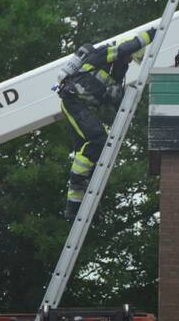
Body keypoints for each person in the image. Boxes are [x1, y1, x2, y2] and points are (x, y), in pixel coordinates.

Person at [56, 28, 156, 220]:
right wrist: (152, 34)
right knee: (97, 139)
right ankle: (80, 181)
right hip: (72, 101)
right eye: (129, 58)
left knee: (87, 150)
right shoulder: (105, 53)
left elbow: (113, 97)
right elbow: (129, 46)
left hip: (82, 106)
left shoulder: (119, 70)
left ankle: (73, 207)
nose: (128, 61)